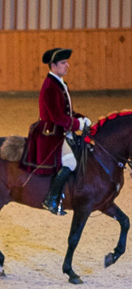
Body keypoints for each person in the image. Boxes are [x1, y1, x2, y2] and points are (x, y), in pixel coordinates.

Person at [21, 47, 91, 215]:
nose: (67, 65)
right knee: (70, 163)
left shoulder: (60, 84)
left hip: (60, 130)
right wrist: (77, 125)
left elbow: (66, 111)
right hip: (51, 133)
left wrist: (81, 118)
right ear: (53, 65)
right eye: (63, 63)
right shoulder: (50, 87)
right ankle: (50, 200)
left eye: (67, 62)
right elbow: (57, 117)